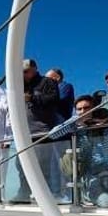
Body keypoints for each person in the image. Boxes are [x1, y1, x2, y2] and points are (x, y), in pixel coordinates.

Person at [50, 95, 108, 207]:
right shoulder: (77, 127)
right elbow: (52, 134)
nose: (83, 111)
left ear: (95, 108)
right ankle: (88, 195)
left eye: (87, 108)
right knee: (106, 203)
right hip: (93, 175)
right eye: (79, 109)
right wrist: (75, 122)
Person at [11, 59, 60, 202]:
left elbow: (54, 99)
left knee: (43, 165)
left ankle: (46, 196)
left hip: (42, 131)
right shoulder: (21, 85)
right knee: (21, 165)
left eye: (25, 72)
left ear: (34, 69)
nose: (23, 75)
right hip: (24, 133)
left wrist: (32, 98)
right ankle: (24, 193)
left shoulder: (47, 82)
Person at [45, 68, 76, 202]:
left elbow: (56, 103)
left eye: (48, 79)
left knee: (65, 165)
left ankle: (70, 195)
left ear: (57, 78)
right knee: (53, 166)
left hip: (62, 131)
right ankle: (56, 194)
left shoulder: (65, 86)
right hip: (53, 132)